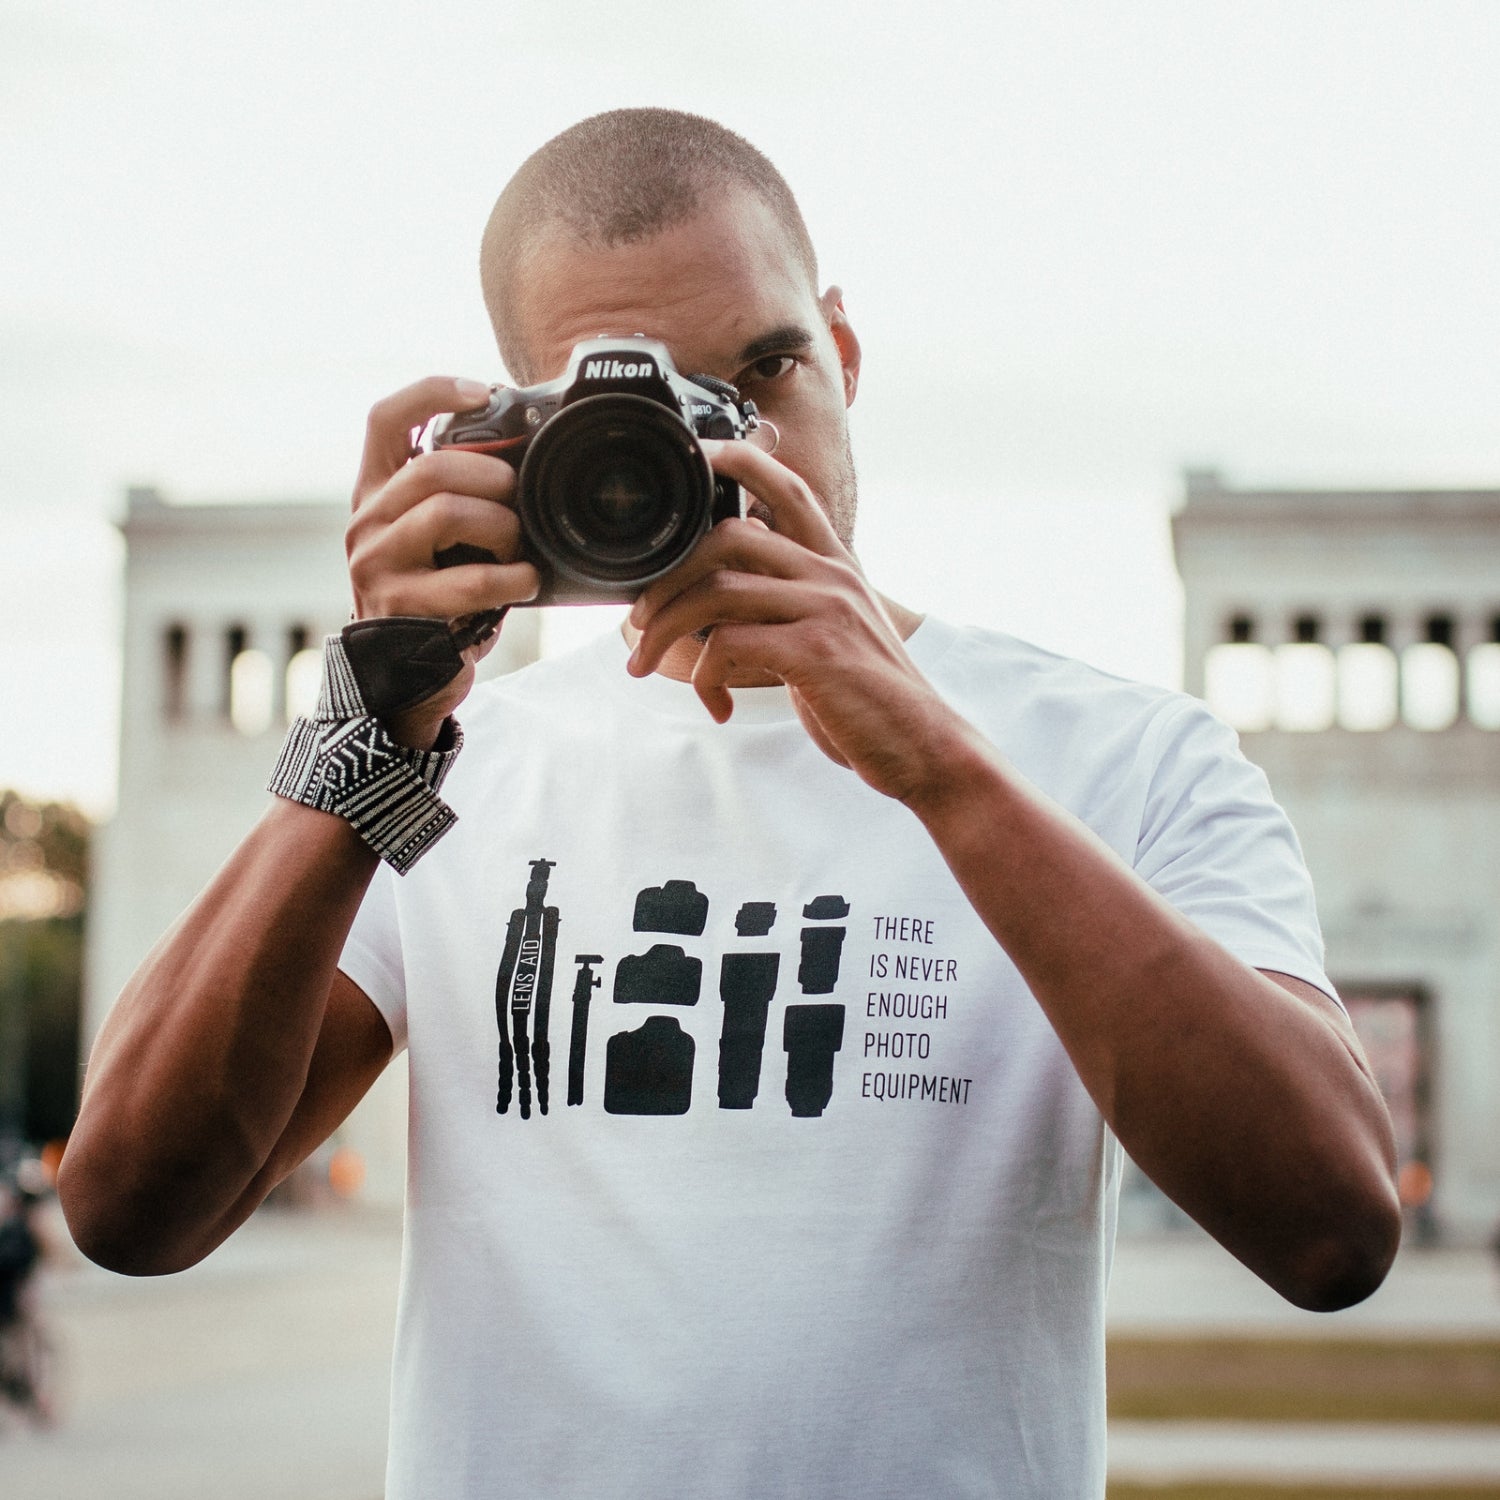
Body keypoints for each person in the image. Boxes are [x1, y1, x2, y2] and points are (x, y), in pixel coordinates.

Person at [58, 108, 1401, 1497]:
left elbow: (1330, 1231)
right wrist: (364, 729)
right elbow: (131, 1207)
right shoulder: (453, 774)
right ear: (537, 444)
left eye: (763, 375)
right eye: (644, 418)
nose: (729, 459)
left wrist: (936, 765)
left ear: (847, 352)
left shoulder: (1118, 757)